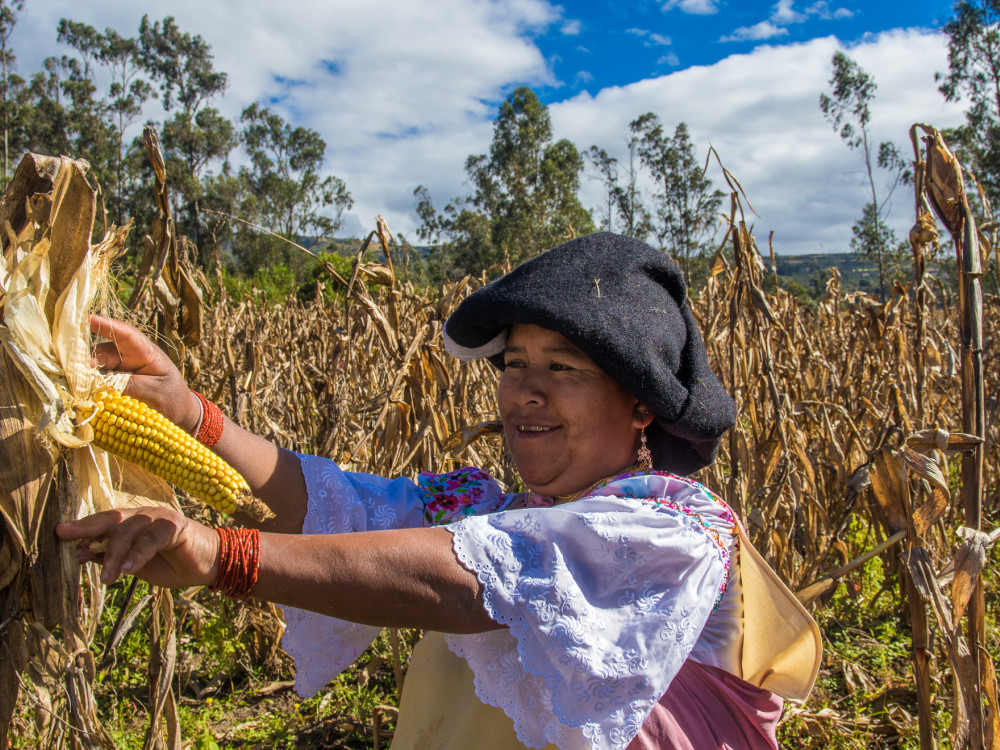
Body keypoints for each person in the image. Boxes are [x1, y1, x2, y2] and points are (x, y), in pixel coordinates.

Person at [57, 232, 821, 750]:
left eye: (562, 368)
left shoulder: (676, 530)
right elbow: (332, 504)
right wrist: (188, 412)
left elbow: (467, 582)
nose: (525, 390)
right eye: (513, 363)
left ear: (641, 404)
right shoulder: (490, 509)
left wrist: (219, 555)